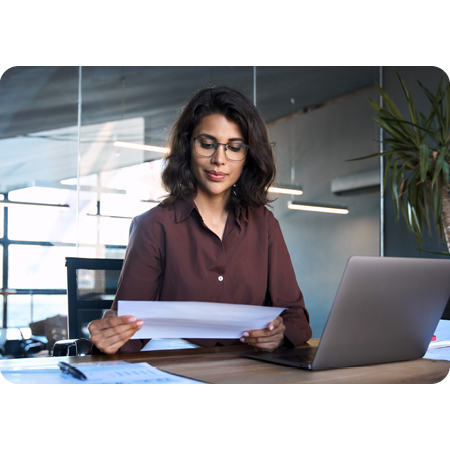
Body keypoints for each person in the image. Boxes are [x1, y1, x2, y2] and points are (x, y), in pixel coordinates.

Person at [88, 86, 312, 354]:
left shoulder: (265, 226)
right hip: (175, 366)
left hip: (249, 369)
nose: (219, 160)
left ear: (247, 157)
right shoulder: (153, 227)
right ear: (188, 146)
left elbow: (296, 317)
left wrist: (279, 335)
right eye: (207, 144)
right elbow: (128, 332)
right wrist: (110, 337)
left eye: (234, 147)